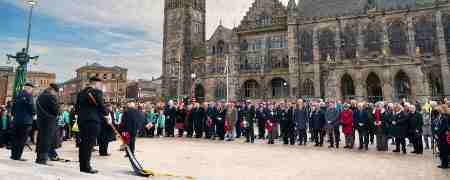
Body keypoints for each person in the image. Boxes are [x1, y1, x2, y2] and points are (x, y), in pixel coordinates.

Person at [75, 77, 108, 174]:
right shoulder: (97, 92)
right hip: (92, 121)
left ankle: (83, 165)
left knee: (83, 144)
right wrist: (107, 114)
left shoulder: (81, 93)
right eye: (100, 84)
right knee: (89, 144)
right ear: (96, 83)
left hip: (82, 121)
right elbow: (101, 105)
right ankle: (86, 167)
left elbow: (77, 108)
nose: (100, 86)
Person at [35, 84, 60, 165]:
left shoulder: (40, 96)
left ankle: (39, 158)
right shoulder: (50, 97)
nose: (56, 94)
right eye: (56, 92)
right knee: (46, 140)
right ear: (52, 90)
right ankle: (42, 160)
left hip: (41, 121)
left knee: (41, 139)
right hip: (49, 122)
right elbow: (56, 111)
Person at [10, 83, 35, 161]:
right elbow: (31, 107)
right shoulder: (29, 96)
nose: (31, 91)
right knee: (22, 139)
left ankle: (13, 155)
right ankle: (18, 156)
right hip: (25, 121)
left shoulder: (17, 95)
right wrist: (34, 113)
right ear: (29, 88)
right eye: (31, 89)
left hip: (16, 120)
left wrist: (15, 115)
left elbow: (13, 108)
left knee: (15, 138)